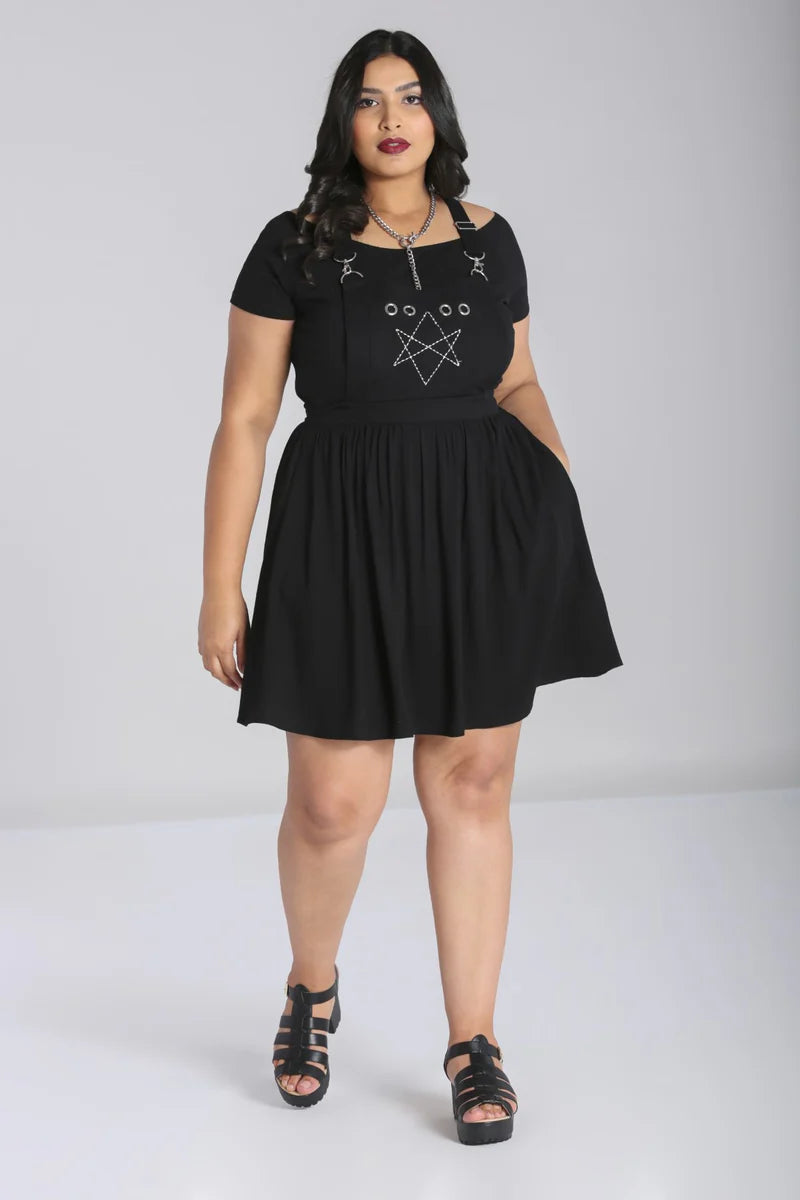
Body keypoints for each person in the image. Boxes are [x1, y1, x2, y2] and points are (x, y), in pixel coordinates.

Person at [198, 29, 623, 1146]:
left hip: (484, 528)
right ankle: (311, 988)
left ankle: (473, 1042)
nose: (392, 118)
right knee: (332, 805)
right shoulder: (293, 245)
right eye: (369, 99)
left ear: (439, 114)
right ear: (342, 119)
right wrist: (219, 584)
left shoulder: (490, 239)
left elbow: (517, 380)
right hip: (339, 531)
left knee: (472, 786)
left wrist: (556, 501)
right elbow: (246, 417)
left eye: (412, 95)